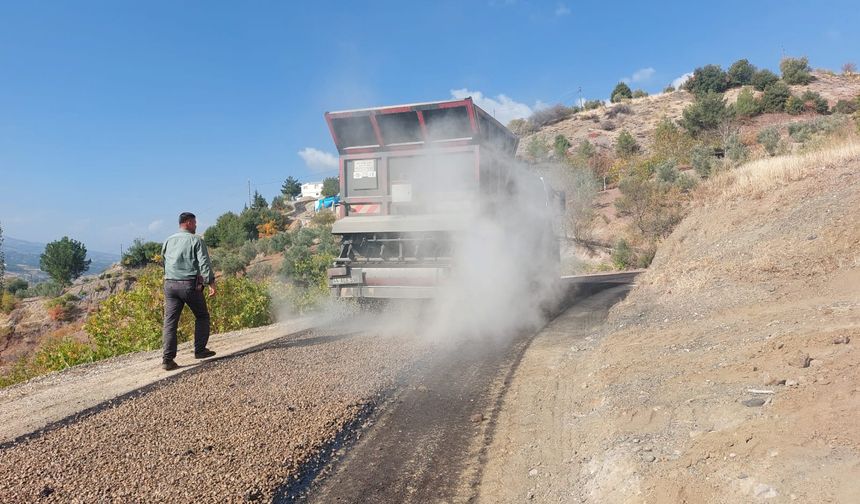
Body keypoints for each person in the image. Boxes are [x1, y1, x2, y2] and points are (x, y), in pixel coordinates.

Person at [160, 212, 217, 370]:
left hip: (170, 284)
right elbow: (204, 263)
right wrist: (211, 282)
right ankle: (200, 350)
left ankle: (167, 360)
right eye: (195, 222)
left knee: (170, 323)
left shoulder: (168, 240)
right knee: (202, 316)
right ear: (188, 223)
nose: (196, 225)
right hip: (189, 284)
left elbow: (164, 262)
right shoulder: (196, 240)